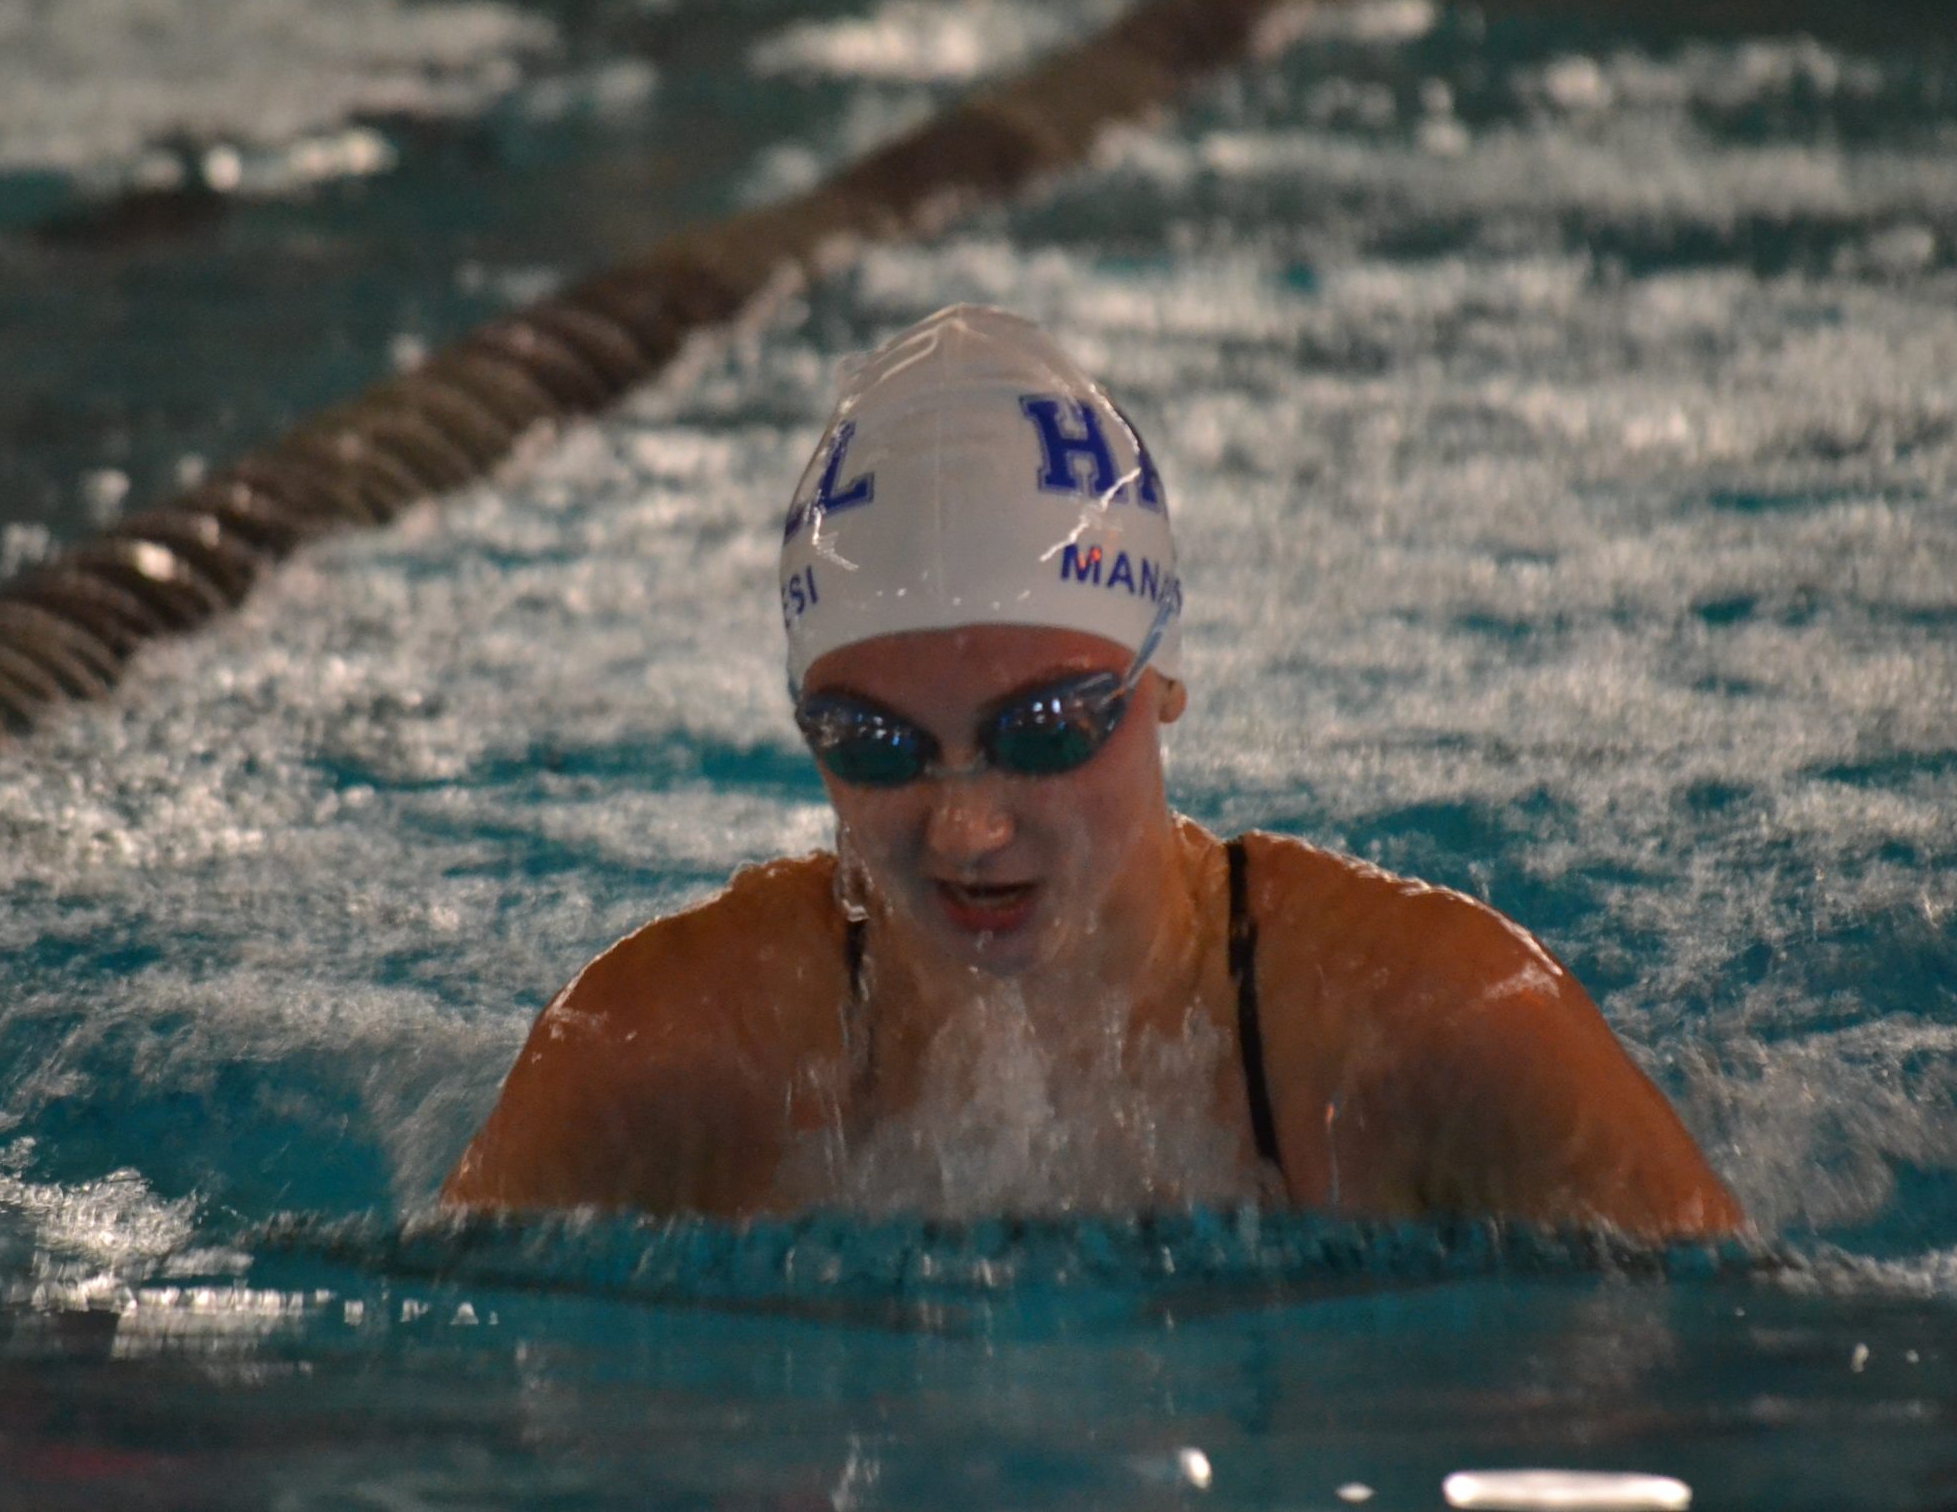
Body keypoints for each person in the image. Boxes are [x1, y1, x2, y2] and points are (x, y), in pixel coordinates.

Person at [444, 305, 1743, 1237]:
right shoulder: (664, 1051)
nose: (963, 825)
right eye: (874, 746)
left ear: (1163, 675)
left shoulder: (1433, 1031)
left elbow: (1740, 1388)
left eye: (1047, 727)